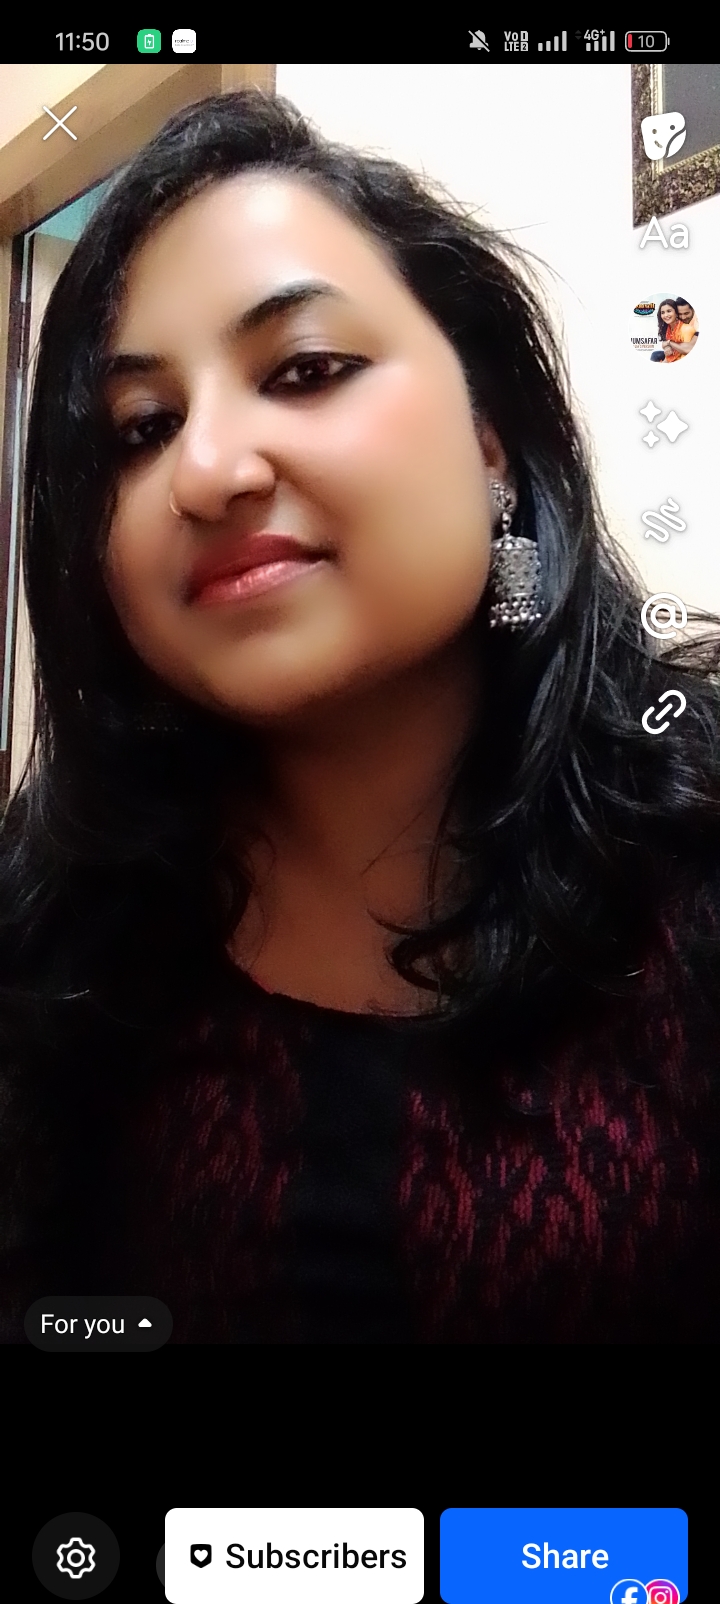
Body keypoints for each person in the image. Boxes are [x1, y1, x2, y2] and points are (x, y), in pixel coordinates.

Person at [1, 90, 719, 1344]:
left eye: (306, 369)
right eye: (141, 429)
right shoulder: (54, 922)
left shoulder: (695, 856)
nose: (206, 469)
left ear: (492, 441)